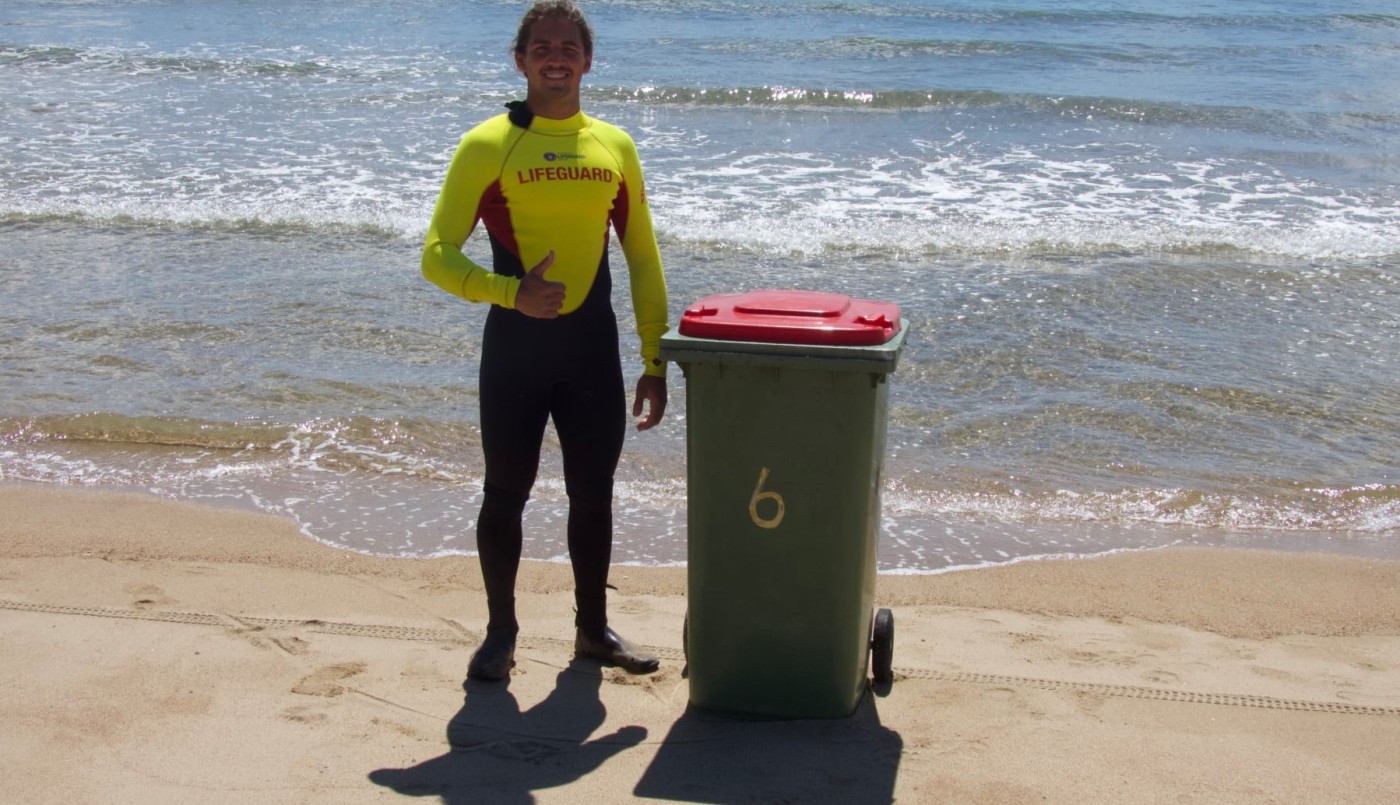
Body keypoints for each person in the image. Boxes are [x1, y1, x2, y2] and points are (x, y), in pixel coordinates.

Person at [421, 1, 669, 680]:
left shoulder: (614, 146)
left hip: (591, 348)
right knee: (505, 492)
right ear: (520, 59)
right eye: (541, 46)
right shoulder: (487, 144)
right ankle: (500, 633)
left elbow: (643, 257)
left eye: (568, 46)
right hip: (515, 353)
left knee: (595, 494)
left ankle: (593, 630)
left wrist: (655, 359)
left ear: (588, 61)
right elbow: (437, 255)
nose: (555, 56)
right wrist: (509, 292)